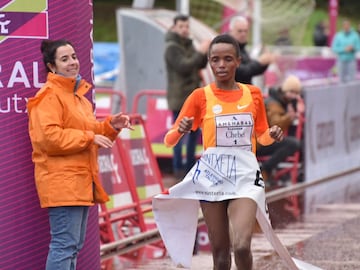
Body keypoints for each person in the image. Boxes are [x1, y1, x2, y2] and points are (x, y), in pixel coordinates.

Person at [160, 34, 283, 270]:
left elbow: (262, 136)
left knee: (241, 246)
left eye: (228, 59)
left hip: (245, 177)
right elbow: (169, 139)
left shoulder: (253, 94)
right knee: (221, 255)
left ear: (238, 61)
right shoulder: (200, 96)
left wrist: (273, 134)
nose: (221, 65)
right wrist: (182, 130)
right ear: (208, 62)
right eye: (215, 60)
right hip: (212, 178)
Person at [27, 39, 132, 270]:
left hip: (79, 182)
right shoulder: (48, 96)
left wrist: (111, 125)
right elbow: (48, 138)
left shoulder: (78, 98)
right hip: (63, 183)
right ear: (51, 67)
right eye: (64, 59)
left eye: (73, 56)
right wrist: (89, 138)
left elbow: (90, 131)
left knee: (72, 245)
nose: (73, 62)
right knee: (65, 245)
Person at [164, 14, 210, 179]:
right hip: (179, 99)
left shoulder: (189, 45)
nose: (184, 30)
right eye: (181, 26)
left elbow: (199, 64)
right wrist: (200, 52)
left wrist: (205, 53)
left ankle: (190, 168)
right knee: (179, 134)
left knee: (193, 134)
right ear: (174, 27)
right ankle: (178, 169)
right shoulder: (171, 47)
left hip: (193, 97)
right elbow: (184, 66)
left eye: (186, 26)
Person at [256, 75, 304, 185]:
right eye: (292, 92)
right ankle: (265, 169)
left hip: (265, 140)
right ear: (285, 91)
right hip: (260, 143)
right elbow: (275, 124)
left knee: (294, 141)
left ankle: (272, 171)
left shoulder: (281, 101)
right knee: (293, 143)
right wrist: (290, 116)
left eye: (297, 93)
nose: (294, 96)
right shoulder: (273, 103)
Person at [228, 15, 274, 84]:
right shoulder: (227, 48)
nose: (243, 34)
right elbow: (239, 72)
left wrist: (265, 62)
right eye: (240, 31)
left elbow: (251, 71)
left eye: (245, 31)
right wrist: (259, 63)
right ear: (231, 31)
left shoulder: (241, 48)